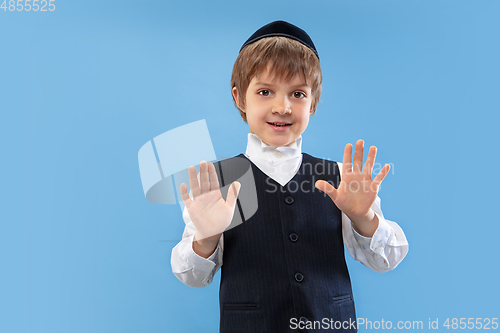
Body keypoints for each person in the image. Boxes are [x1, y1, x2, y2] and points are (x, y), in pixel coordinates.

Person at [171, 20, 408, 332]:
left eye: (297, 93)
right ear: (240, 98)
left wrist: (363, 217)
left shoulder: (340, 177)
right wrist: (207, 237)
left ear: (313, 103)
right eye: (265, 91)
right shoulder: (218, 184)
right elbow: (192, 276)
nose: (282, 107)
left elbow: (385, 261)